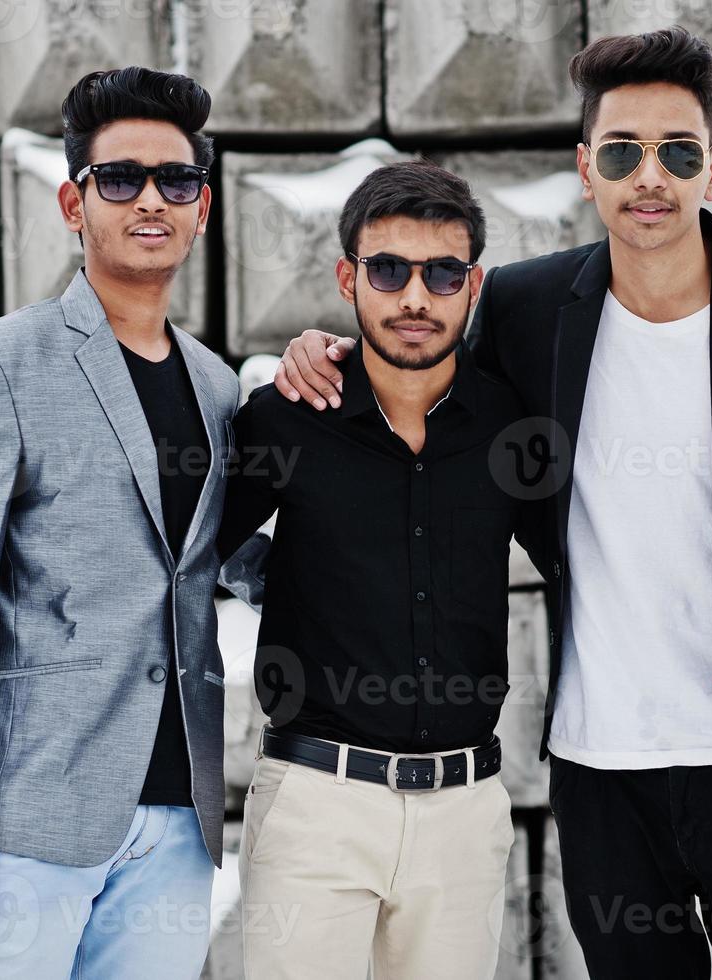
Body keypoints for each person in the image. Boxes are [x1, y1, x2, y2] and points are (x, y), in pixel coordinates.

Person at [274, 27, 712, 979]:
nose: (649, 177)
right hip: (601, 771)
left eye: (676, 151)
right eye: (622, 152)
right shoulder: (527, 311)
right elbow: (414, 376)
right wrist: (318, 353)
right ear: (587, 169)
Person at [0, 66, 239, 979]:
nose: (151, 200)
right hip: (30, 816)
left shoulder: (218, 387)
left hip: (180, 818)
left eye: (177, 180)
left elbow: (233, 562)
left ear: (203, 207)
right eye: (119, 179)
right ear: (71, 202)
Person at [217, 160, 547, 979]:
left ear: (470, 284)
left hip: (464, 812)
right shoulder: (286, 415)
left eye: (441, 273)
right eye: (388, 269)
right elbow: (190, 547)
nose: (414, 298)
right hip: (315, 802)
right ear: (347, 277)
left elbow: (587, 559)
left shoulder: (511, 426)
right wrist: (273, 578)